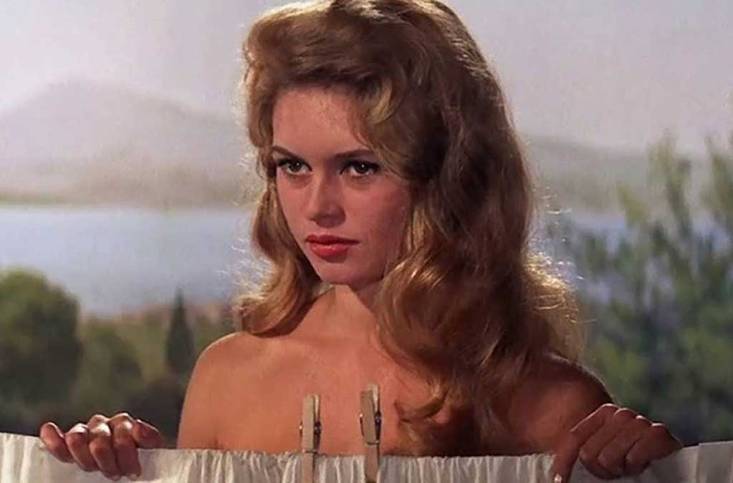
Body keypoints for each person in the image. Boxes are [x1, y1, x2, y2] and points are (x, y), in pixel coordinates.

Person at [38, 0, 683, 481]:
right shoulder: (229, 379)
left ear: (446, 177)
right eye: (293, 166)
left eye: (360, 167)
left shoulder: (549, 404)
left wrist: (664, 474)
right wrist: (126, 473)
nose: (318, 206)